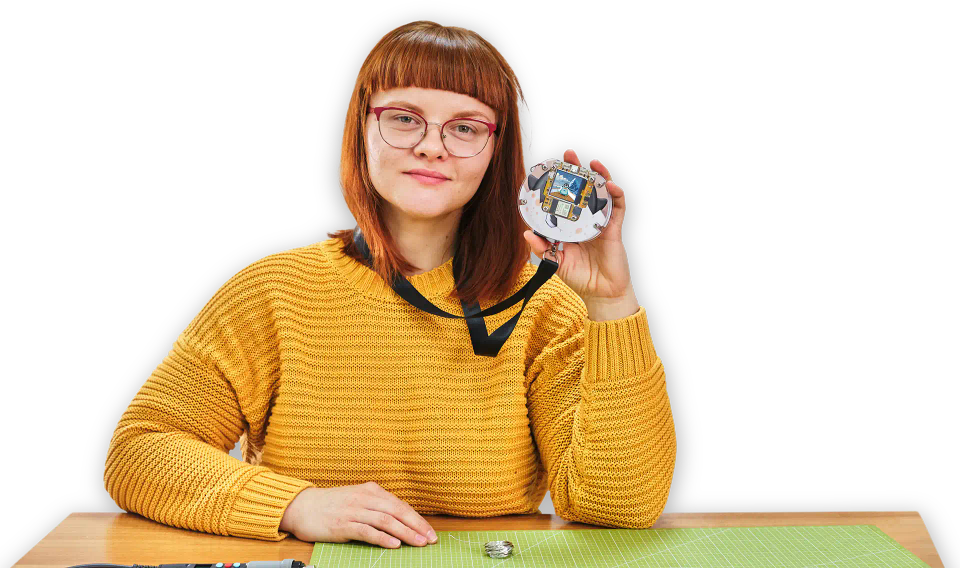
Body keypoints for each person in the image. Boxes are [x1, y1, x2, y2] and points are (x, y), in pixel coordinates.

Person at [103, 20, 677, 550]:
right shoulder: (273, 291)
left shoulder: (547, 306)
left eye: (465, 127)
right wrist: (295, 505)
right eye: (404, 118)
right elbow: (138, 449)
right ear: (362, 129)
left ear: (497, 152)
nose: (431, 146)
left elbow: (620, 505)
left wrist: (610, 302)